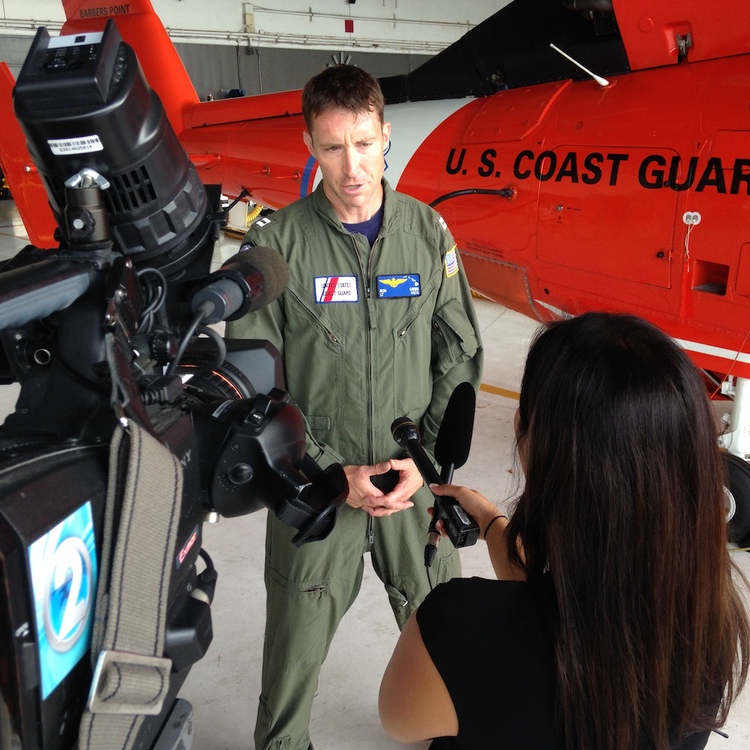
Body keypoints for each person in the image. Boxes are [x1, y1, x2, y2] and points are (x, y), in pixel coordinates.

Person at [225, 63, 484, 750]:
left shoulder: (428, 237)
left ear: (385, 136)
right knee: (294, 649)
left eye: (364, 143)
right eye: (334, 146)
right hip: (316, 485)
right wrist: (333, 474)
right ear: (310, 144)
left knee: (447, 635)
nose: (352, 166)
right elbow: (254, 381)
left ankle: (459, 738)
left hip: (411, 485)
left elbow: (455, 357)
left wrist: (423, 465)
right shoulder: (276, 245)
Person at [379, 312, 750, 750]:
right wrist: (493, 524)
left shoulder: (457, 626)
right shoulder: (707, 618)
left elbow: (401, 721)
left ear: (535, 447)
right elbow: (572, 611)